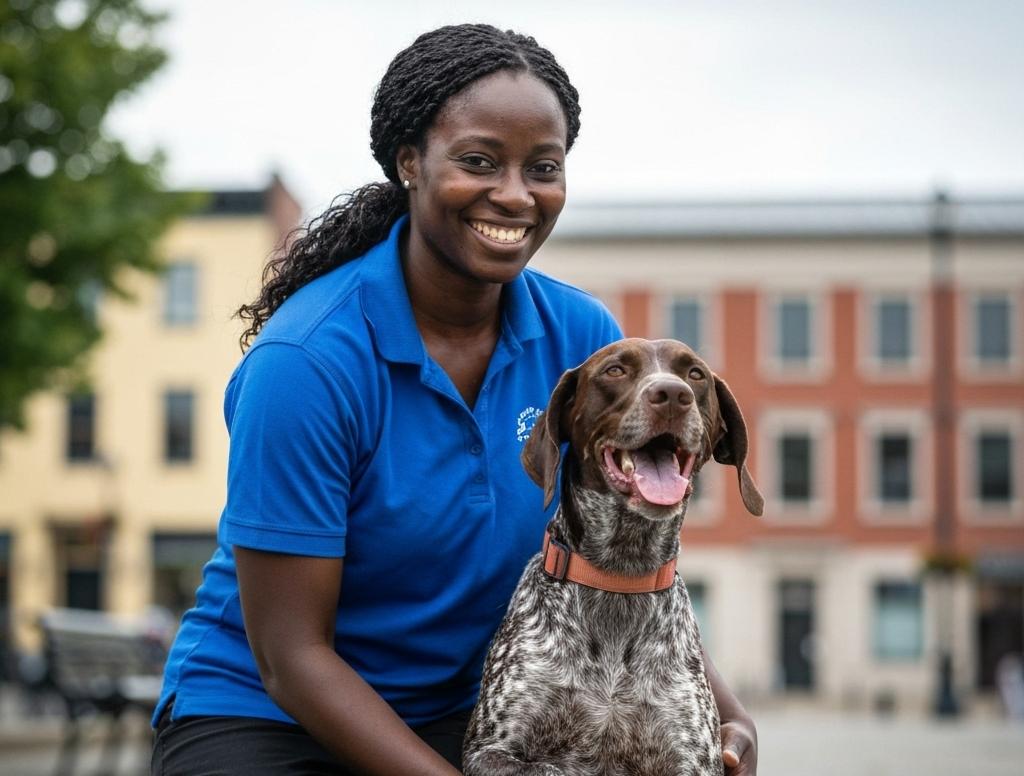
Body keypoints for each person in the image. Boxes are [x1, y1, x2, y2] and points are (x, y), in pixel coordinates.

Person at [151, 23, 758, 776]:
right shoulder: (306, 363)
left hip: (455, 711)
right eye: (479, 162)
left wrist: (726, 710)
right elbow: (291, 656)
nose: (516, 194)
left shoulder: (588, 344)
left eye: (543, 167)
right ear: (409, 162)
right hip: (267, 715)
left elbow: (623, 564)